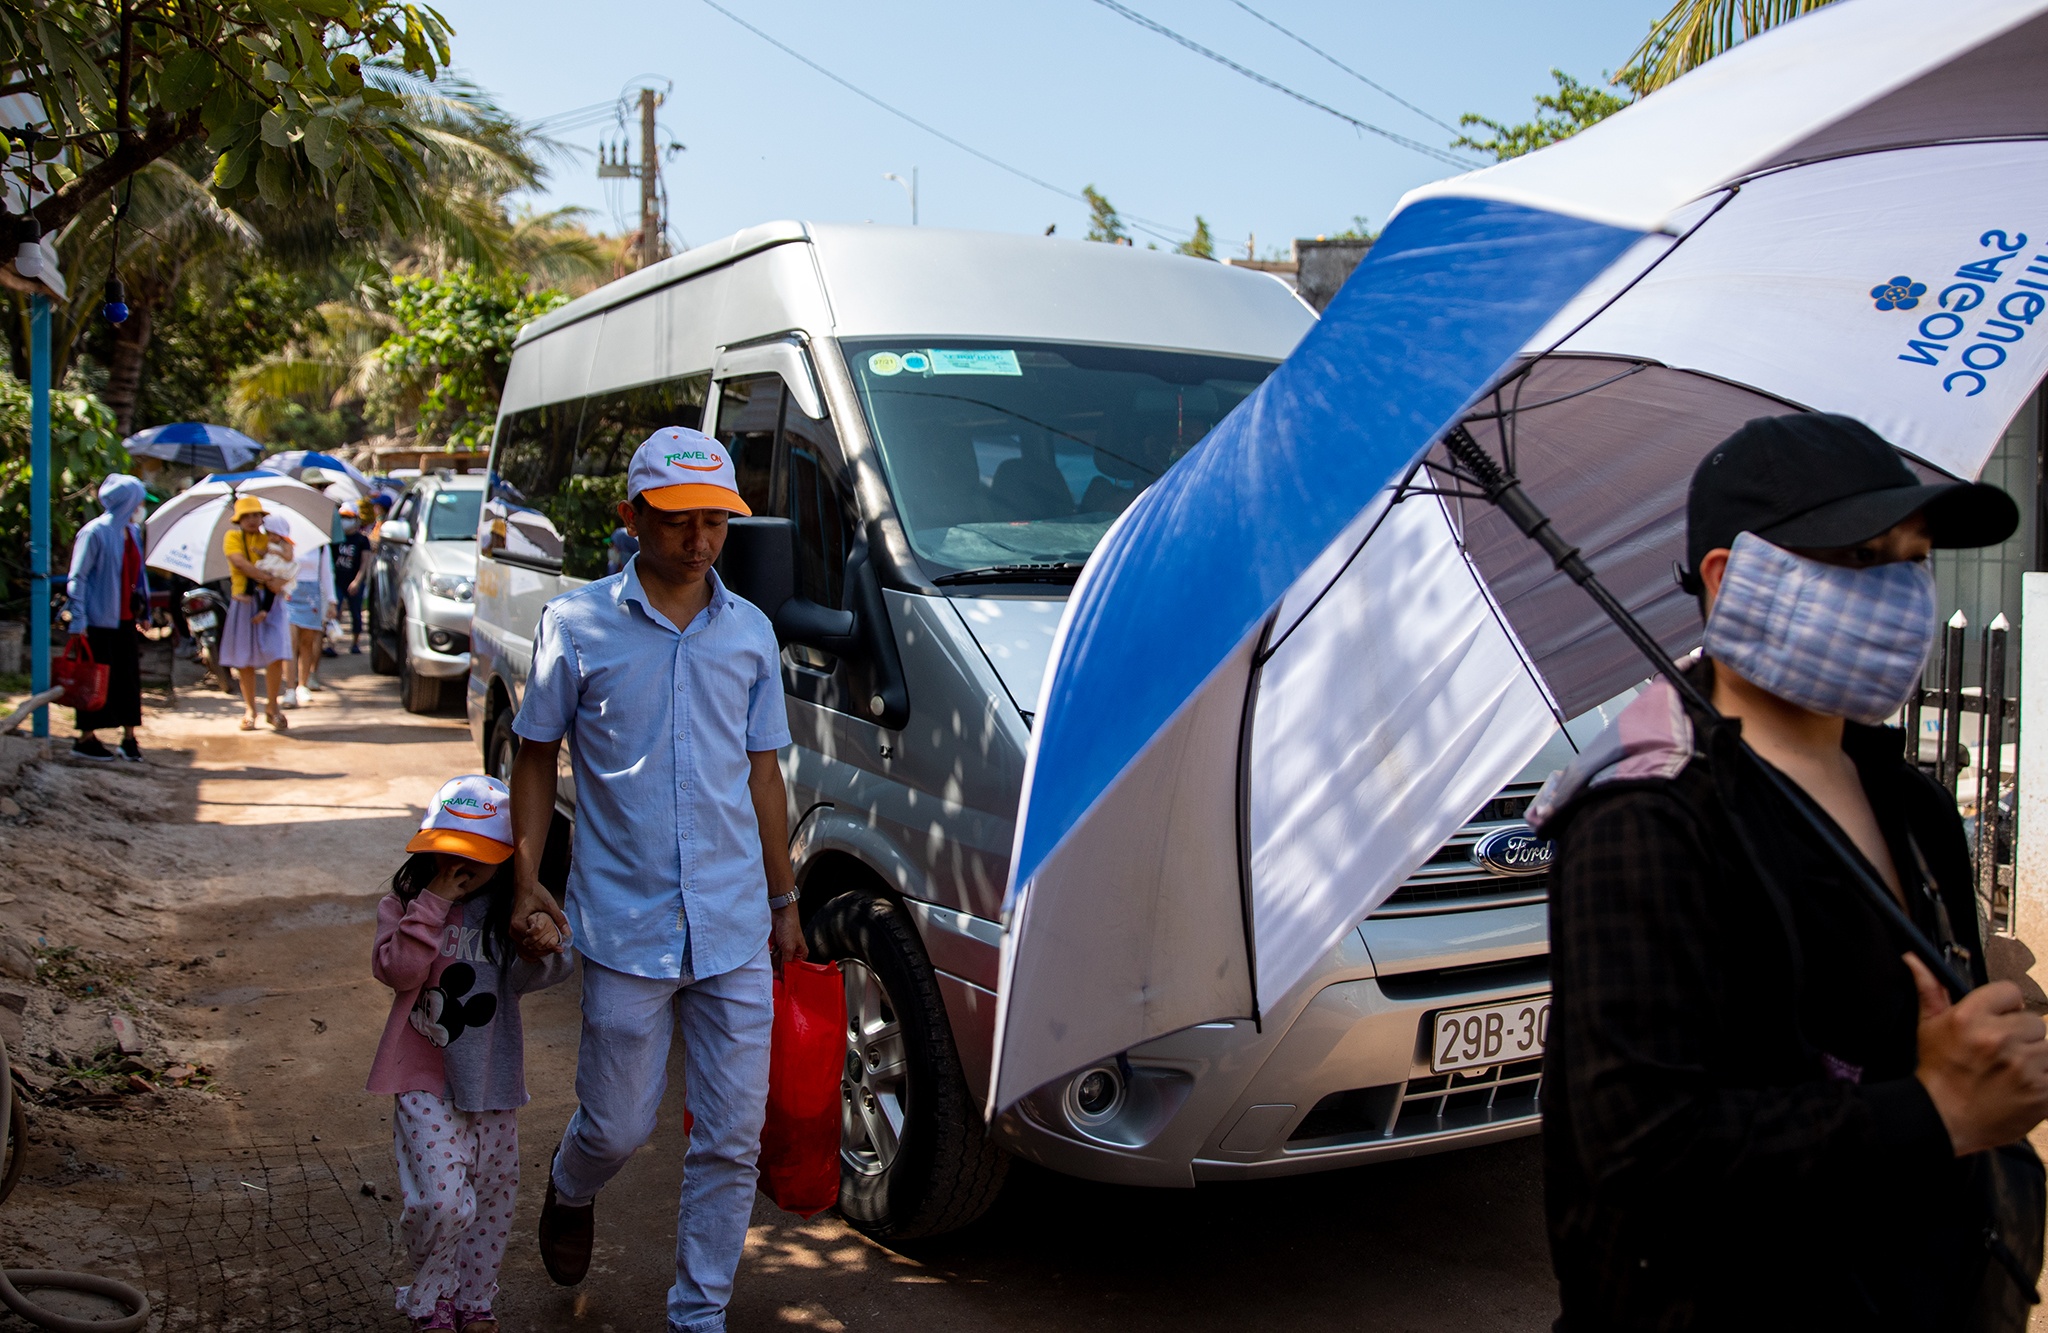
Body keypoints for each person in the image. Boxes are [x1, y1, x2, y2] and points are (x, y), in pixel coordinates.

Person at [1531, 413, 2047, 1329]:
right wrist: (1935, 1111)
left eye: (1914, 560)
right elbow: (1642, 1149)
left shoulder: (1915, 807)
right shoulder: (1643, 820)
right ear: (1731, 581)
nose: (1901, 594)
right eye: (1862, 557)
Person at [506, 426, 806, 1333]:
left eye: (715, 519)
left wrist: (785, 899)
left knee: (730, 1136)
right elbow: (533, 752)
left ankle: (699, 1313)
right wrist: (525, 881)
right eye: (678, 520)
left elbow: (763, 775)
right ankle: (570, 1180)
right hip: (627, 927)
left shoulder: (749, 632)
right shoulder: (577, 625)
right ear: (633, 516)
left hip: (734, 927)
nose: (700, 538)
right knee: (620, 1124)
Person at [370, 774, 575, 1333]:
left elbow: (550, 969)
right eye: (449, 852)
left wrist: (541, 937)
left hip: (491, 1080)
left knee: (490, 1201)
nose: (461, 866)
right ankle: (430, 1298)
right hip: (422, 1077)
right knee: (441, 1202)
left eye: (477, 856)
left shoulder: (505, 915)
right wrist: (433, 903)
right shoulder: (405, 906)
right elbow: (400, 972)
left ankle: (473, 1302)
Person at [64, 474, 150, 762]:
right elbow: (78, 578)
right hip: (97, 622)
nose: (141, 506)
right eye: (138, 499)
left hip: (125, 619)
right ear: (127, 501)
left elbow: (139, 575)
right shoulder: (94, 532)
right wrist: (78, 620)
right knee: (93, 680)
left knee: (128, 679)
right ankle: (86, 738)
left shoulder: (132, 532)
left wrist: (145, 609)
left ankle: (128, 738)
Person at [219, 496, 295, 732]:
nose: (252, 520)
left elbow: (289, 557)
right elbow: (240, 563)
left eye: (256, 515)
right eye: (247, 516)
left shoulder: (269, 537)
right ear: (239, 520)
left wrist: (279, 578)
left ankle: (272, 707)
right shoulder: (232, 537)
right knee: (244, 659)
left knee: (276, 655)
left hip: (271, 604)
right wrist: (269, 578)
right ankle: (250, 709)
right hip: (244, 601)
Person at [286, 524, 337, 706]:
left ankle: (303, 684)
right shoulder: (286, 541)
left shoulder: (321, 544)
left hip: (312, 596)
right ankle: (289, 689)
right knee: (290, 642)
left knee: (307, 643)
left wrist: (332, 601)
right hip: (290, 593)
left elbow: (327, 573)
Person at [331, 502, 373, 654]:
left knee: (356, 613)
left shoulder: (362, 540)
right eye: (342, 517)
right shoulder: (336, 539)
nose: (345, 520)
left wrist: (357, 581)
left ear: (356, 519)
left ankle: (355, 643)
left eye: (348, 517)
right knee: (335, 611)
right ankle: (332, 643)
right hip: (338, 581)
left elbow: (364, 563)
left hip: (354, 581)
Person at [248, 515, 299, 626]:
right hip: (269, 568)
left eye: (274, 534)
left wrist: (278, 552)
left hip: (280, 570)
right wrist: (257, 551)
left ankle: (265, 610)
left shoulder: (286, 544)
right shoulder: (270, 544)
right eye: (269, 534)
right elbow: (265, 553)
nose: (271, 537)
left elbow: (289, 557)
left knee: (271, 592)